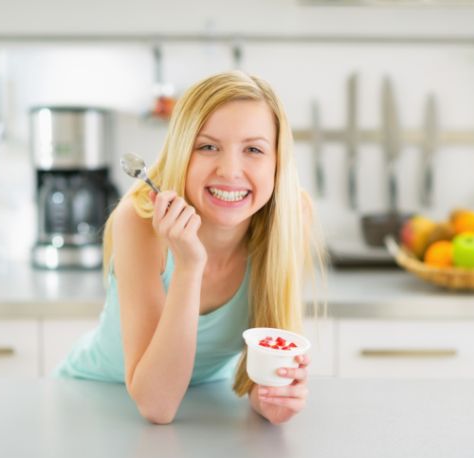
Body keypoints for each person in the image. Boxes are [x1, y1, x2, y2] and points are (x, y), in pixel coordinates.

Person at [56, 70, 324, 425]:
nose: (230, 171)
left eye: (254, 149)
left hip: (207, 401)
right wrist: (188, 265)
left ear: (277, 162)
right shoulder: (139, 221)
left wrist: (272, 397)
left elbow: (262, 374)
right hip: (95, 399)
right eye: (208, 146)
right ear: (182, 152)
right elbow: (157, 405)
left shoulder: (291, 216)